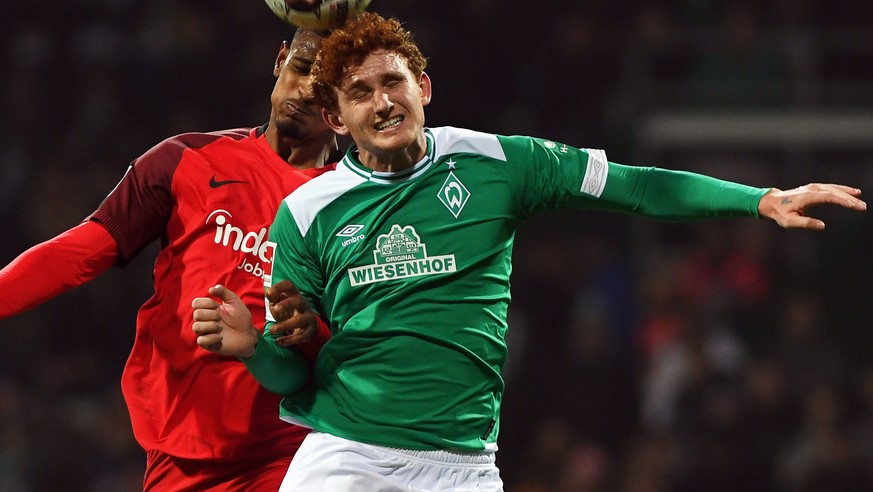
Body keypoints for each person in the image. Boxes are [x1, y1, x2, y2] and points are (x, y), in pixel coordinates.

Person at [191, 12, 867, 491]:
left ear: (422, 88)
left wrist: (756, 199)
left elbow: (634, 187)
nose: (383, 102)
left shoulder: (498, 163)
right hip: (346, 456)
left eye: (393, 82)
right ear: (337, 119)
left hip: (461, 466)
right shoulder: (305, 213)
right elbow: (292, 378)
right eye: (361, 93)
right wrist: (256, 349)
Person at [0, 28, 337, 491]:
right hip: (181, 446)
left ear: (346, 104)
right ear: (280, 60)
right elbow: (82, 251)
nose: (303, 92)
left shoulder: (354, 203)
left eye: (324, 89)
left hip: (291, 447)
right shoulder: (186, 159)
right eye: (300, 69)